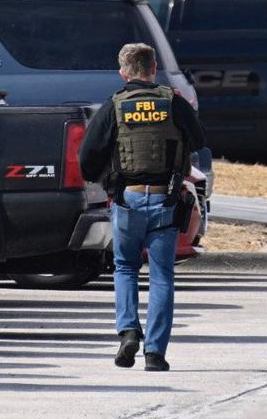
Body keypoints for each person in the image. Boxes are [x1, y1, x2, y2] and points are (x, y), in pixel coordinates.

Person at [79, 43, 205, 372]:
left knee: (125, 268)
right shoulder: (172, 101)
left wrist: (100, 179)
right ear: (152, 69)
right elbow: (200, 139)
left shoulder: (115, 105)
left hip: (127, 199)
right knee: (161, 275)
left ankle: (128, 332)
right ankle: (155, 353)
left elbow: (88, 156)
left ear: (123, 72)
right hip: (165, 197)